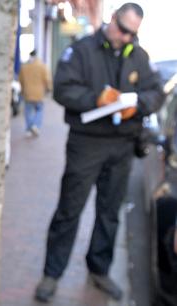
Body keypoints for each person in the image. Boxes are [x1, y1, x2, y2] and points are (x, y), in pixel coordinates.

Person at [35, 3, 165, 302]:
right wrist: (97, 100)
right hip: (86, 143)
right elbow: (63, 90)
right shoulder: (82, 50)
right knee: (70, 209)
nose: (125, 37)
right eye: (122, 28)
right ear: (113, 19)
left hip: (122, 145)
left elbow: (155, 91)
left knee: (110, 213)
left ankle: (100, 269)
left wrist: (138, 104)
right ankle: (52, 274)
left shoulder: (139, 56)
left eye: (132, 33)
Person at [18, 50, 52, 137]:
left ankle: (29, 128)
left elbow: (20, 80)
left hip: (27, 93)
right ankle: (35, 125)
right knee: (39, 110)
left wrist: (22, 90)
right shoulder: (42, 66)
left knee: (28, 111)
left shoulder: (24, 66)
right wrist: (49, 88)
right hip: (39, 93)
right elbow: (47, 79)